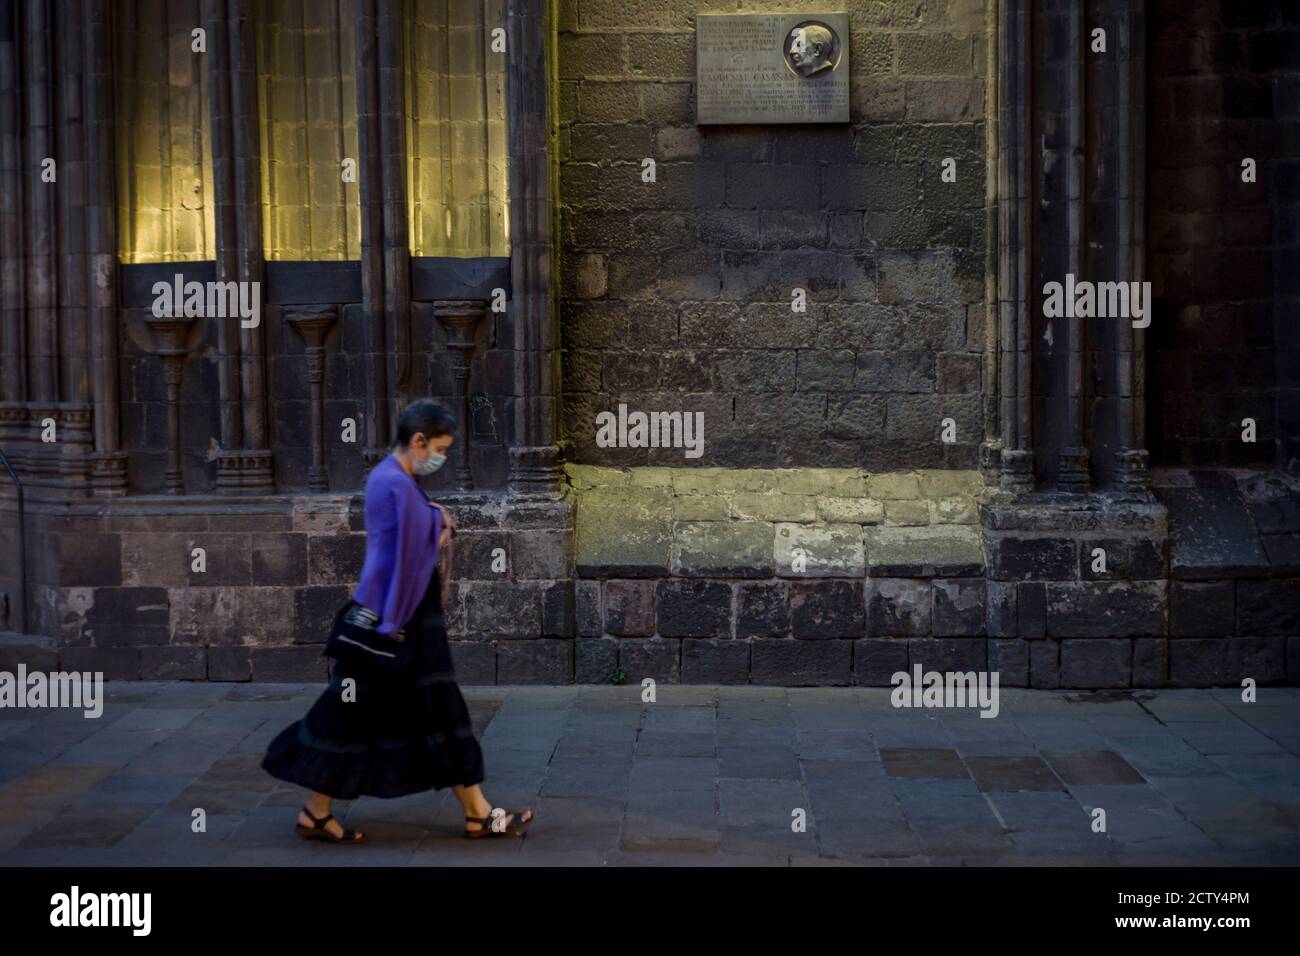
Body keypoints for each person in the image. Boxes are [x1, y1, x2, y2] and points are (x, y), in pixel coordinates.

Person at [261, 399, 534, 843]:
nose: (440, 458)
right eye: (439, 448)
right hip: (400, 618)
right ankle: (474, 814)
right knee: (387, 711)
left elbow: (404, 533)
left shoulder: (390, 478)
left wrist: (431, 518)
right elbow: (406, 557)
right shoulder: (396, 484)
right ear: (418, 440)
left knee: (379, 711)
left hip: (394, 615)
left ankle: (472, 812)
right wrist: (437, 530)